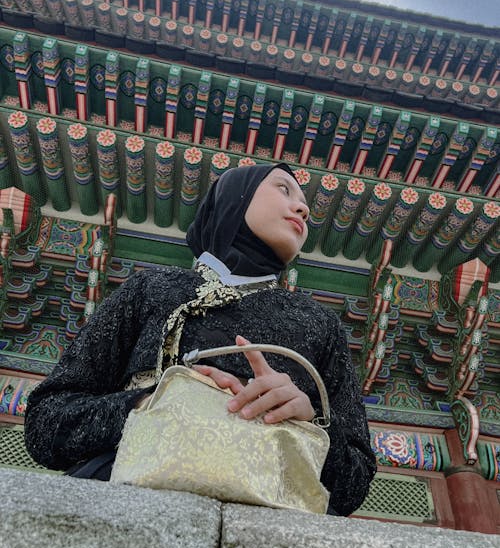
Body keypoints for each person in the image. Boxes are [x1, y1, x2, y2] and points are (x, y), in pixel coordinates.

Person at [24, 163, 376, 515]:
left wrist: (307, 419)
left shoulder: (320, 324)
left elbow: (354, 484)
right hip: (120, 503)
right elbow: (45, 423)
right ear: (233, 198)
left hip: (268, 521)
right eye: (284, 189)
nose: (303, 208)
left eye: (303, 203)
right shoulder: (150, 289)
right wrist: (148, 404)